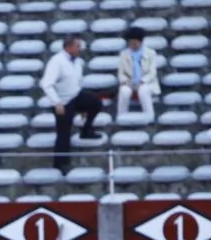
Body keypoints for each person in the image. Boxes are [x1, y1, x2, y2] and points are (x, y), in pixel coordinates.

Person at [39, 34, 102, 174]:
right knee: (64, 132)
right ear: (68, 47)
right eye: (77, 46)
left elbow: (77, 82)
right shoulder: (56, 61)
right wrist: (57, 103)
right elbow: (46, 84)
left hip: (75, 95)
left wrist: (82, 107)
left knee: (95, 103)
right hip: (62, 101)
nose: (80, 49)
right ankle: (60, 163)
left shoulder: (78, 62)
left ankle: (86, 130)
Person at [116, 26, 160, 121]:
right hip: (130, 83)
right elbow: (121, 74)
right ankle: (121, 117)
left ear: (141, 42)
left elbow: (152, 72)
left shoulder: (150, 53)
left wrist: (142, 81)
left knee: (143, 90)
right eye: (131, 43)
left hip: (146, 83)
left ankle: (149, 117)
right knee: (124, 91)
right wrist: (126, 81)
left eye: (135, 43)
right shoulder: (124, 54)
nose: (133, 45)